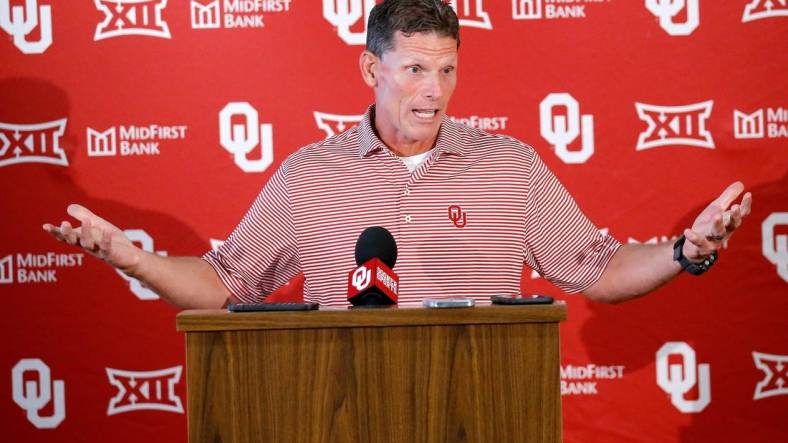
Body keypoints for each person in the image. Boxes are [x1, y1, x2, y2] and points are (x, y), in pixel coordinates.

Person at [43, 0, 751, 309]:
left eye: (446, 70)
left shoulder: (510, 165)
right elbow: (227, 285)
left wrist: (687, 252)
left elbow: (597, 271)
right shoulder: (309, 174)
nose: (433, 90)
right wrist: (131, 258)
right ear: (368, 70)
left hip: (485, 412)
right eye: (413, 69)